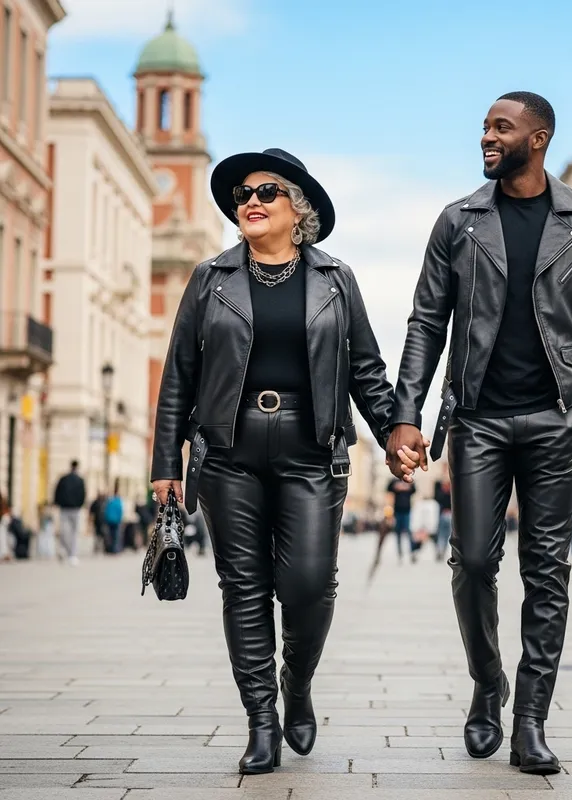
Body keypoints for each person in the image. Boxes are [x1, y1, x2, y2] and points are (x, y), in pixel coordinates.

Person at [386, 92, 572, 774]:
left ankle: (530, 718)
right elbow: (425, 323)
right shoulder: (459, 222)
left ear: (540, 137)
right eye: (485, 127)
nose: (487, 137)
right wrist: (406, 414)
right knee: (471, 562)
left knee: (546, 568)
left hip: (557, 420)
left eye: (502, 127)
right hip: (475, 419)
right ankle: (487, 682)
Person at [151, 148, 394, 776]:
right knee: (244, 588)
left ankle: (299, 683)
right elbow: (179, 374)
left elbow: (365, 369)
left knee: (310, 584)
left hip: (312, 450)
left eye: (266, 191)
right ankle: (262, 720)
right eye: (241, 195)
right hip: (227, 454)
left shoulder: (336, 280)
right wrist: (165, 463)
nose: (249, 201)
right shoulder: (210, 278)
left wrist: (396, 430)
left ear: (299, 209)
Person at [53, 460, 86, 566]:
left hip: (64, 508)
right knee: (74, 533)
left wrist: (58, 503)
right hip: (75, 509)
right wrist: (79, 505)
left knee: (64, 531)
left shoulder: (63, 479)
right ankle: (72, 555)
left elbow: (57, 492)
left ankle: (63, 549)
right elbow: (83, 495)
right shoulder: (80, 480)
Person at [386, 477, 417, 562]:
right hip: (397, 511)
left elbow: (414, 490)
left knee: (409, 531)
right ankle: (400, 553)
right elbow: (388, 489)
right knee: (398, 532)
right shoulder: (394, 480)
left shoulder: (409, 479)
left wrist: (407, 486)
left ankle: (412, 551)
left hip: (407, 510)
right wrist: (397, 486)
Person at [434, 475, 453, 561]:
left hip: (450, 514)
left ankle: (443, 551)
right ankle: (440, 551)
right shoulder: (441, 492)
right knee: (442, 535)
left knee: (447, 535)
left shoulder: (452, 493)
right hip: (443, 514)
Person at [104, 481, 124, 554]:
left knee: (110, 535)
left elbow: (106, 510)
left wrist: (106, 518)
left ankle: (110, 549)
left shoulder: (110, 500)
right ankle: (114, 549)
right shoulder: (118, 501)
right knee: (116, 536)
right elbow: (120, 511)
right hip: (116, 520)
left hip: (110, 520)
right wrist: (120, 519)